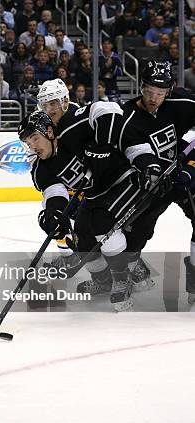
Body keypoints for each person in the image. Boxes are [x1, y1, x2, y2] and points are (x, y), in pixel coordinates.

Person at [18, 100, 148, 311]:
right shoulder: (42, 168)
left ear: (49, 131)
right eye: (28, 143)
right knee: (80, 237)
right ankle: (104, 280)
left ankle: (122, 279)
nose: (33, 146)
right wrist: (54, 213)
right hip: (95, 195)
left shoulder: (73, 129)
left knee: (101, 223)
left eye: (35, 138)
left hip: (123, 180)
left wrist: (103, 143)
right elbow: (55, 192)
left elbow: (108, 108)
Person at [117, 61, 195, 307]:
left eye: (160, 94)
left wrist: (189, 163)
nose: (153, 98)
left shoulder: (179, 105)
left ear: (169, 91)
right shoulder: (127, 115)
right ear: (141, 86)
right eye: (149, 91)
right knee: (136, 231)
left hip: (182, 178)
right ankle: (125, 273)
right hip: (150, 183)